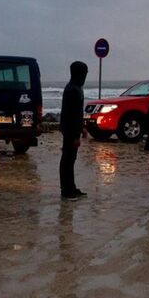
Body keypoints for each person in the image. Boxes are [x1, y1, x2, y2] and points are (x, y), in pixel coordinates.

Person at [60, 61, 88, 199]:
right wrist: (76, 135)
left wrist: (81, 128)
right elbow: (72, 115)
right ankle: (66, 190)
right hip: (70, 131)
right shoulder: (73, 90)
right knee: (68, 160)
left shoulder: (75, 88)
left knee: (70, 160)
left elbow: (78, 113)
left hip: (71, 129)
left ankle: (71, 187)